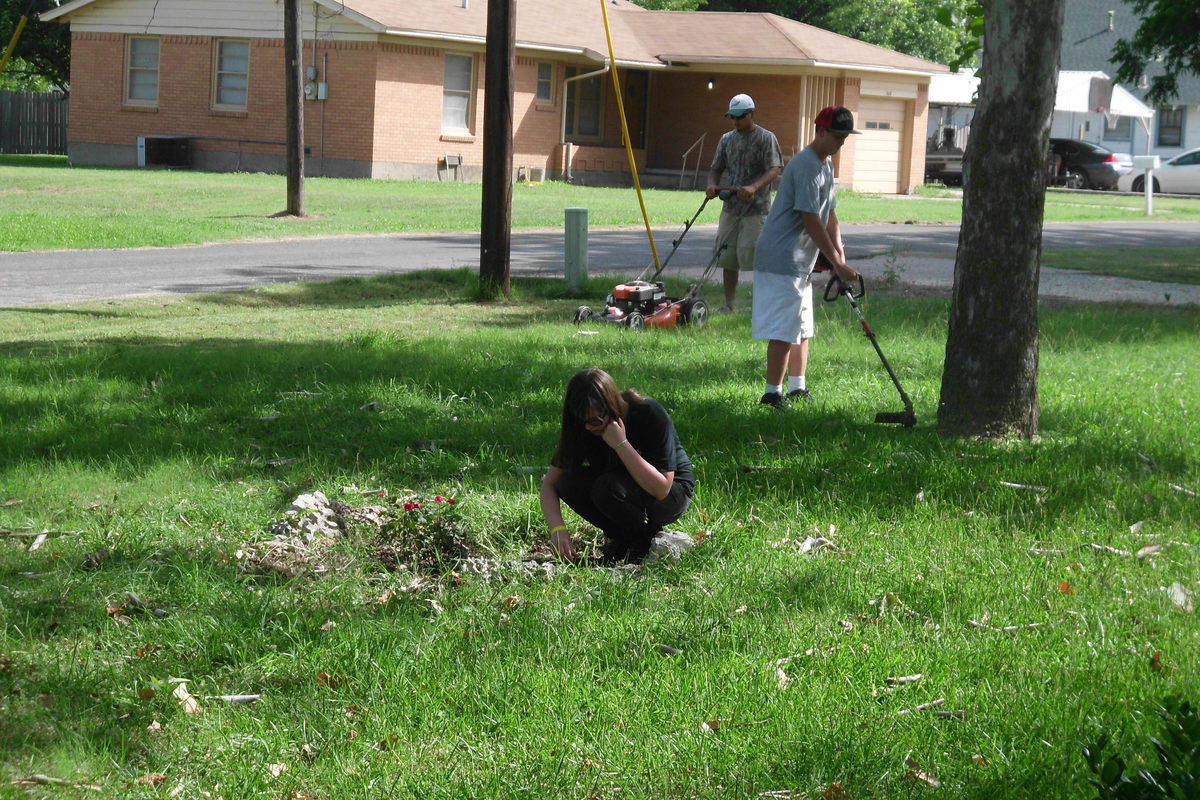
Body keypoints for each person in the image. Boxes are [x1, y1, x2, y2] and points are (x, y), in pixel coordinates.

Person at [751, 105, 862, 408]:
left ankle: (797, 387)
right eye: (838, 136)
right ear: (821, 132)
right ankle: (772, 393)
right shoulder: (806, 165)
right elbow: (810, 218)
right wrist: (836, 264)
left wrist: (839, 255)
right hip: (781, 259)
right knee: (784, 329)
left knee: (802, 326)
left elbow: (830, 217)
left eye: (846, 137)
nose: (842, 143)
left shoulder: (825, 166)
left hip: (800, 261)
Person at [540, 369, 694, 564]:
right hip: (618, 483)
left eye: (595, 420)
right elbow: (550, 484)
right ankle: (622, 539)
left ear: (612, 406)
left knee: (607, 487)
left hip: (672, 493)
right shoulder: (582, 427)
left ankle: (643, 542)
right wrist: (557, 529)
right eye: (582, 421)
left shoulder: (648, 412)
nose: (588, 427)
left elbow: (661, 488)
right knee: (569, 482)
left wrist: (621, 444)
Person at [706, 93, 784, 313]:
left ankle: (762, 305)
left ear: (751, 114)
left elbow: (775, 168)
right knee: (727, 257)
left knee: (755, 258)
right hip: (730, 207)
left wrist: (754, 187)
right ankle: (729, 304)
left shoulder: (766, 137)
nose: (735, 121)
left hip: (756, 209)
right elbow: (715, 169)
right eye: (732, 117)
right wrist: (712, 185)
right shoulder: (726, 139)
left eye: (740, 117)